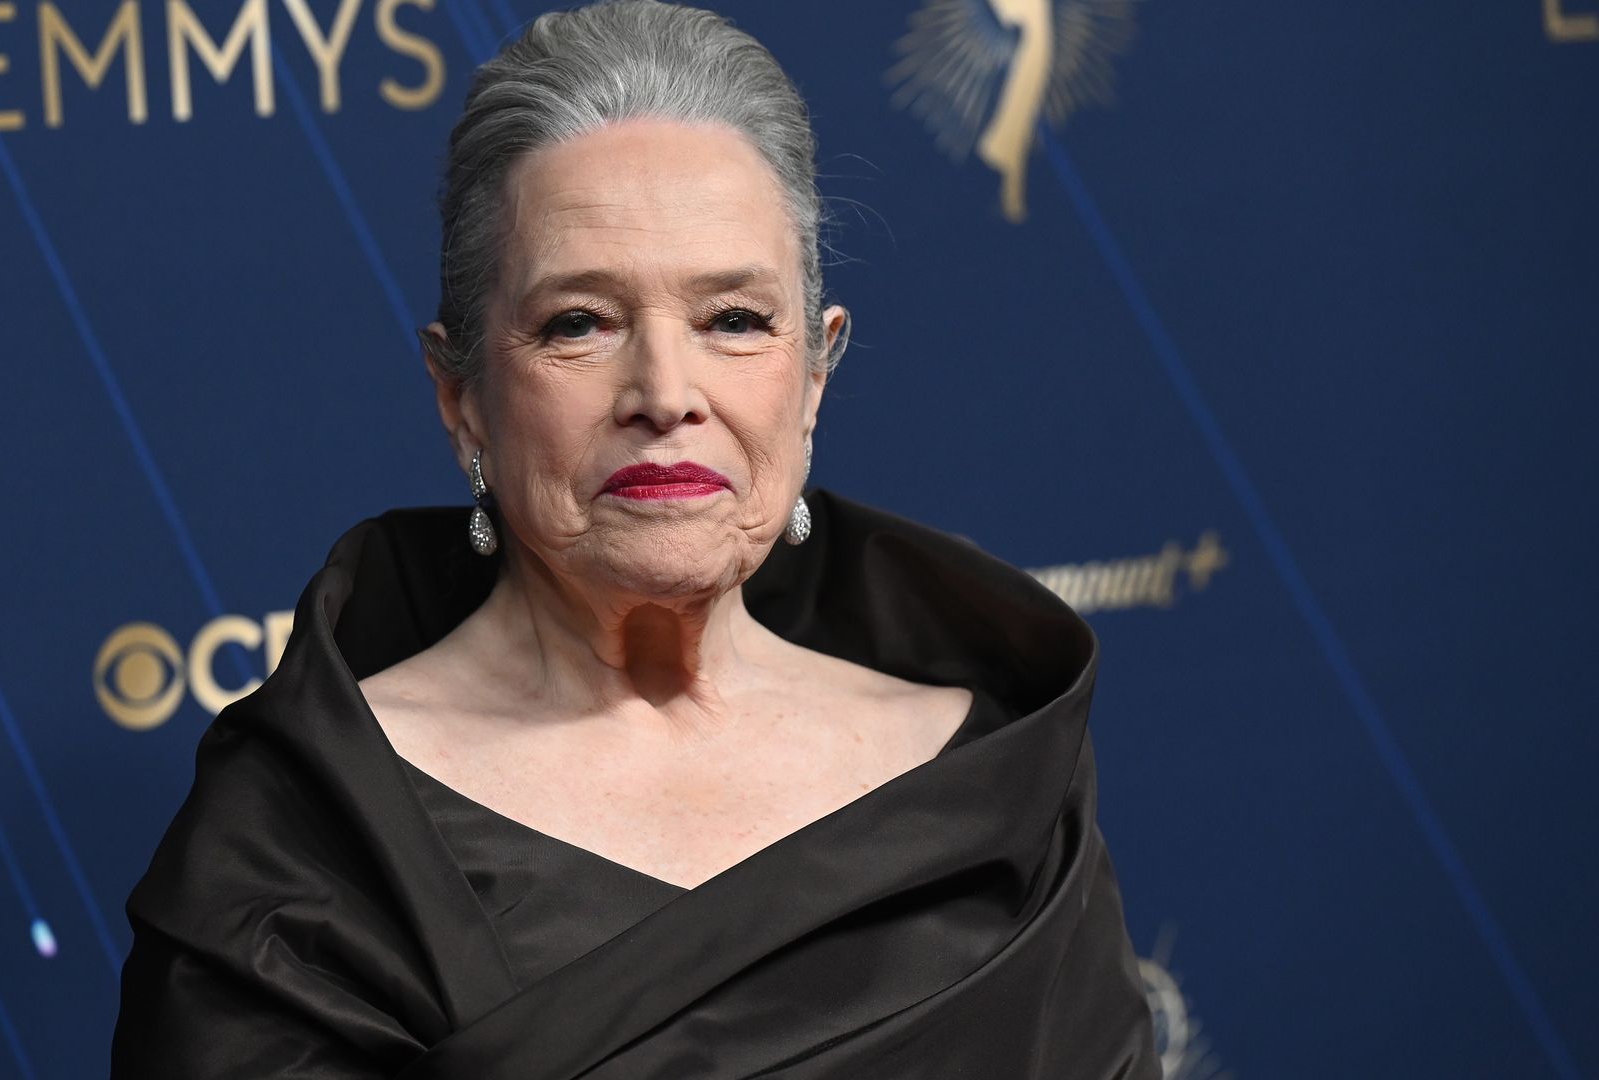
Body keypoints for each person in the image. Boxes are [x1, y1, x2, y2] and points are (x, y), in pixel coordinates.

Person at [111, 1, 1158, 1076]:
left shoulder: (997, 775)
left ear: (814, 374)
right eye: (580, 323)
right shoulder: (303, 830)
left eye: (734, 321)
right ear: (461, 396)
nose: (665, 393)